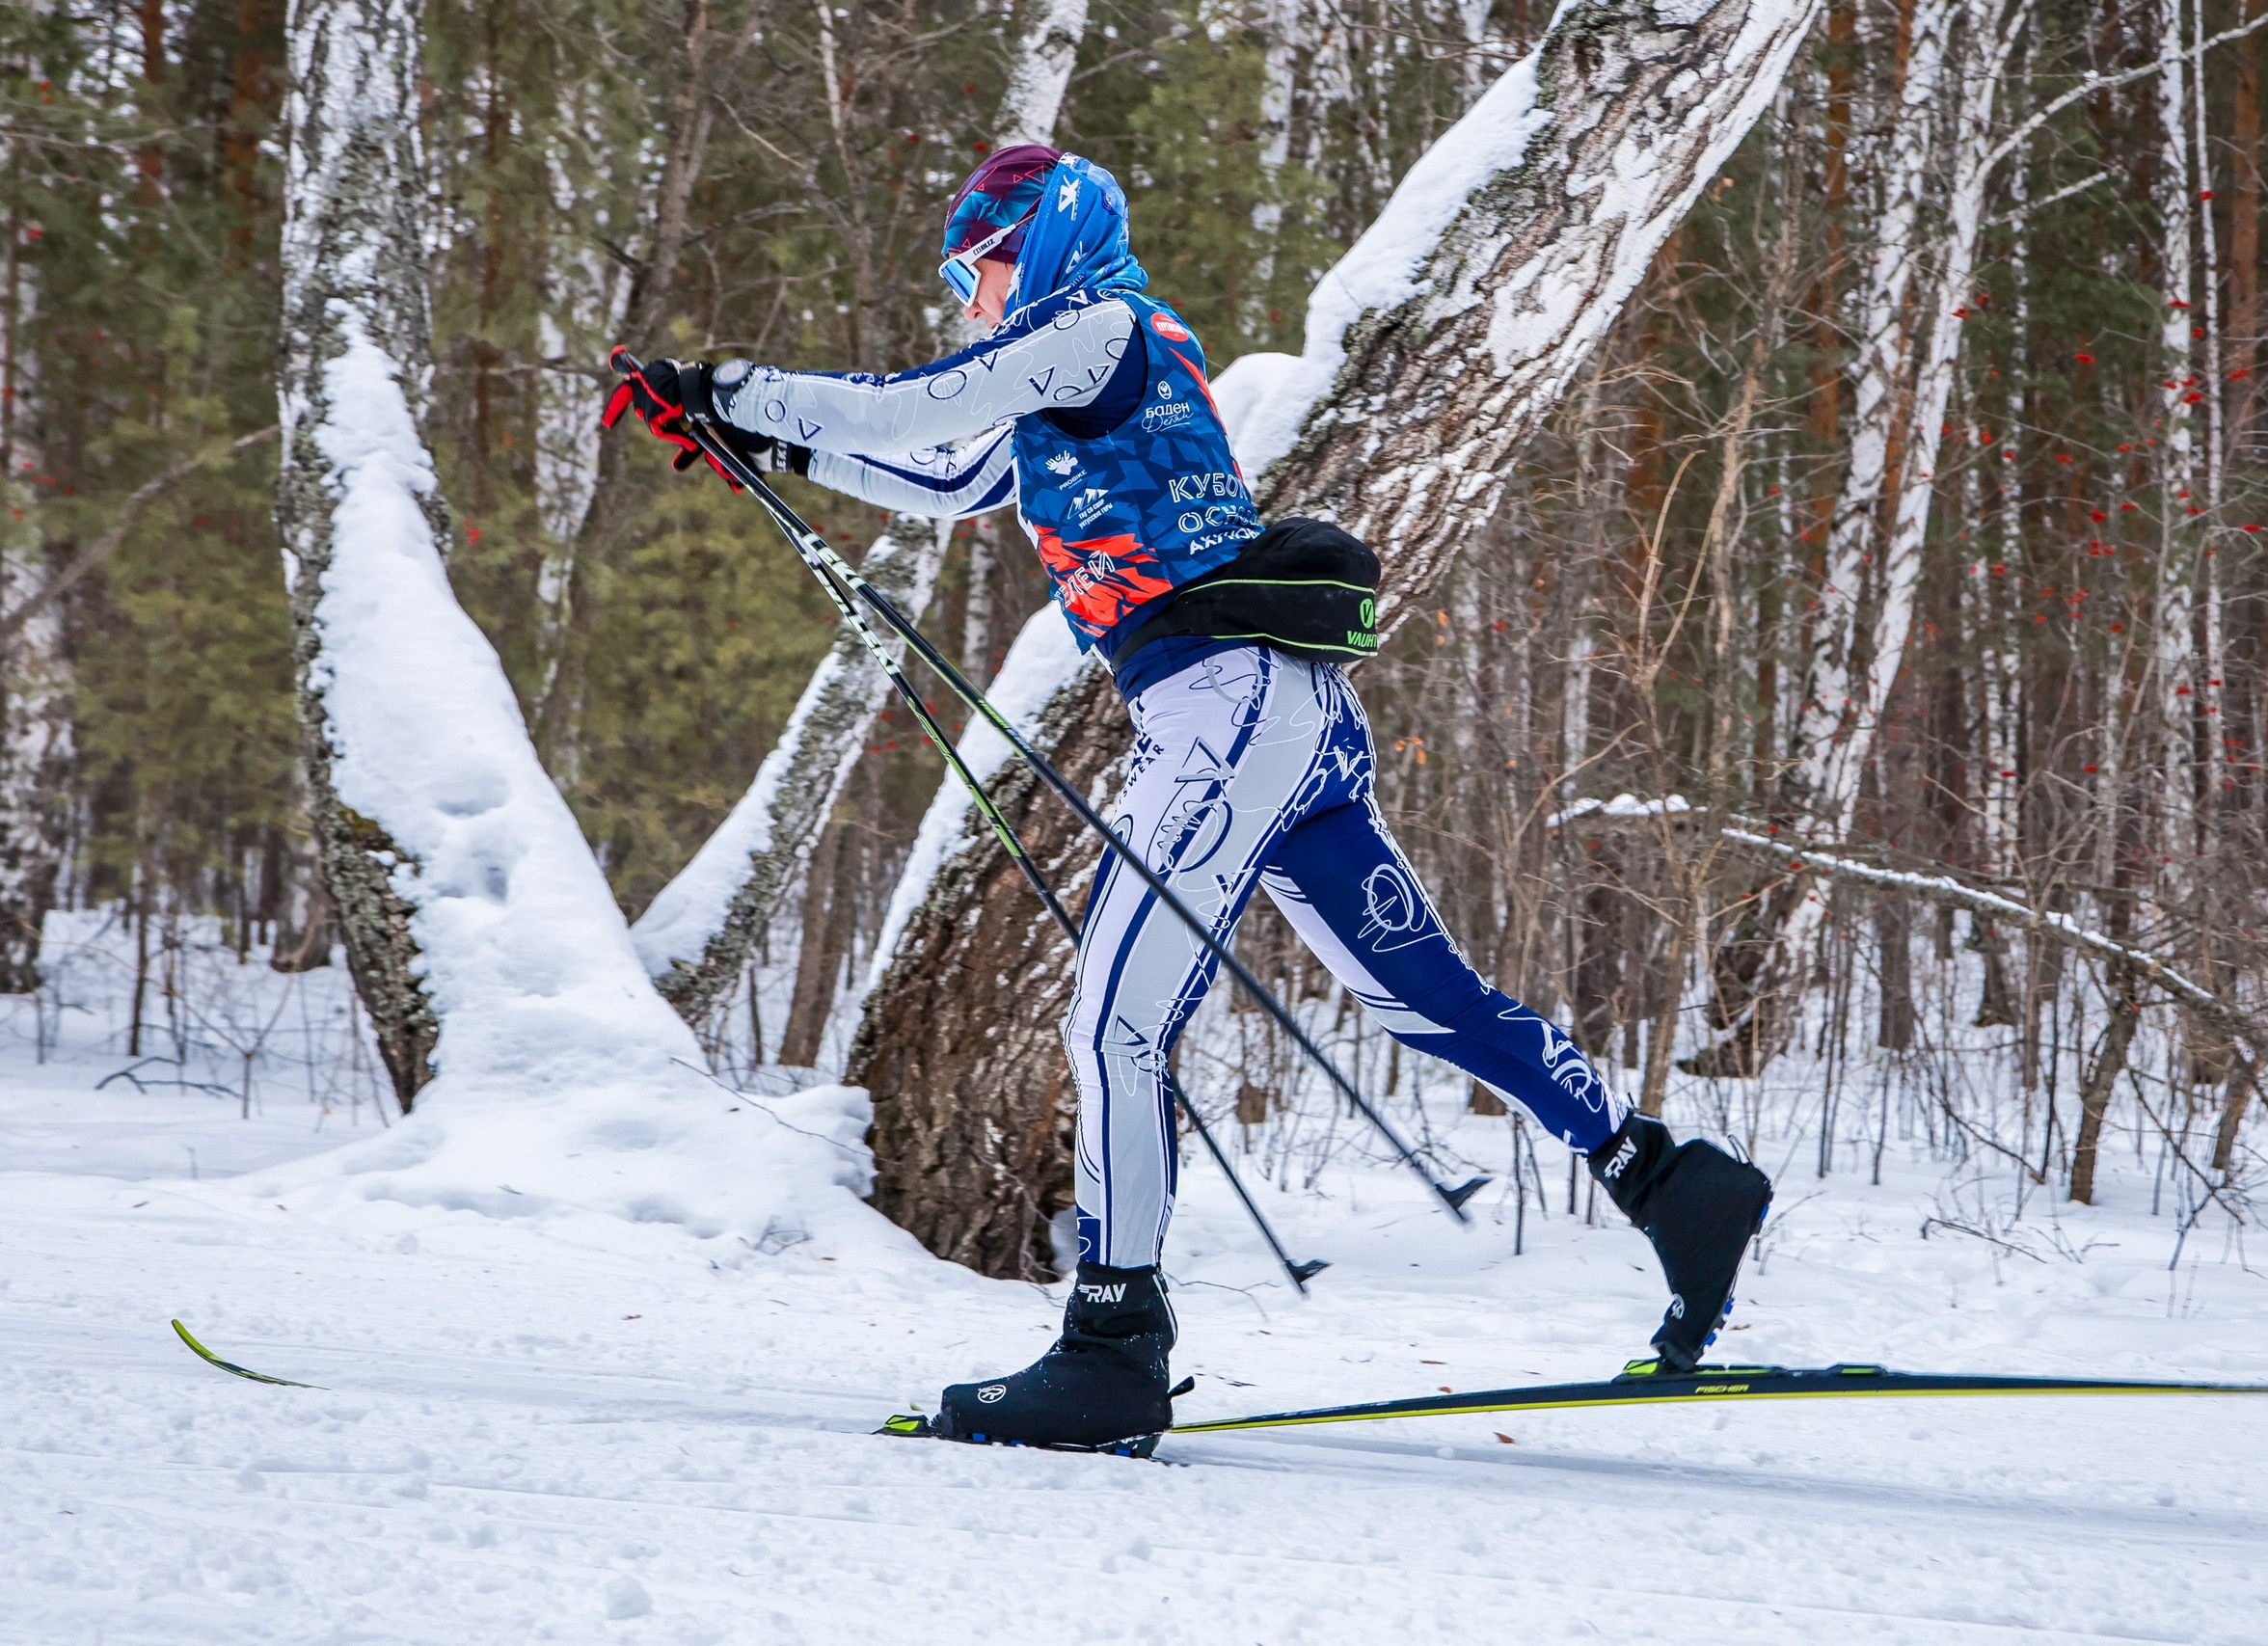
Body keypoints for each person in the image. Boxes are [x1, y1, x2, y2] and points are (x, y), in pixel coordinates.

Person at [611, 146, 1770, 1451]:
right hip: (1288, 720)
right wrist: (756, 438)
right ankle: (1667, 1179)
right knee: (1422, 999)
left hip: (1224, 713)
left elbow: (908, 412)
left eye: (979, 267)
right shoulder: (1095, 365)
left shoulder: (1092, 327)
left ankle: (1111, 1345)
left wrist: (726, 385)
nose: (970, 296)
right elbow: (943, 479)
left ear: (1045, 241)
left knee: (1116, 1024)